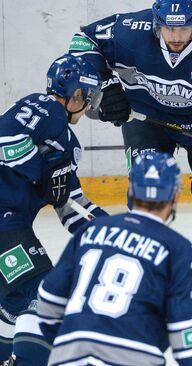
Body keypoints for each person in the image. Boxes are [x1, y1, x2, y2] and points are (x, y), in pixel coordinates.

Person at [68, 0, 192, 292]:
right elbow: (83, 40)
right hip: (145, 119)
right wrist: (106, 83)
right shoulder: (128, 30)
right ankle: (143, 265)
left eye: (184, 28)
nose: (176, 36)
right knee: (144, 196)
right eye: (169, 28)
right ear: (156, 23)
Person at [37, 151, 192, 365]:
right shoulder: (186, 255)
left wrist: (67, 343)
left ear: (131, 190)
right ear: (176, 194)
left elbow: (48, 299)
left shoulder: (91, 231)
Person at [0, 54, 108, 364]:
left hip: (11, 225)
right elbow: (3, 140)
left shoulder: (68, 143)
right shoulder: (42, 107)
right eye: (89, 97)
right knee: (44, 296)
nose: (89, 106)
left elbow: (71, 204)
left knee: (13, 304)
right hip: (4, 223)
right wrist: (40, 167)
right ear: (77, 94)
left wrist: (107, 231)